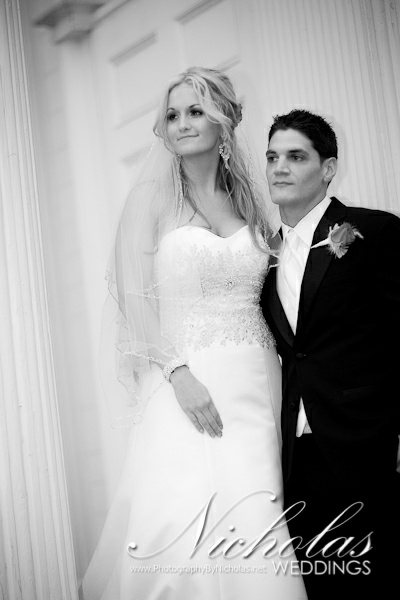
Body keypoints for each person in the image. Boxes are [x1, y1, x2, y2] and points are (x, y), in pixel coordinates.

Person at [80, 69, 307, 600]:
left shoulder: (248, 201)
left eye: (196, 111)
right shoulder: (151, 199)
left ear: (223, 121)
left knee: (255, 510)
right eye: (173, 114)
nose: (182, 123)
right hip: (184, 380)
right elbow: (133, 298)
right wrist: (179, 374)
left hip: (256, 384)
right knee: (182, 515)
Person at [261, 108, 400, 599]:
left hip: (367, 450)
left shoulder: (374, 232)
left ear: (328, 168)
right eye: (272, 157)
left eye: (296, 157)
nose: (280, 168)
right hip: (296, 461)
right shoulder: (263, 257)